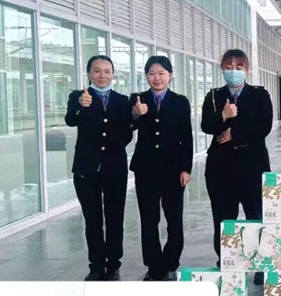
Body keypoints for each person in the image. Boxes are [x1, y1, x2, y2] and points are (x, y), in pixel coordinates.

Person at [201, 49, 273, 285]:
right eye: (229, 66)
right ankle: (226, 262)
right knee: (224, 219)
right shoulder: (214, 96)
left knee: (256, 215)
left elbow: (264, 126)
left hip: (253, 166)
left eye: (239, 67)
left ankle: (260, 263)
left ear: (247, 70)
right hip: (220, 169)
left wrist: (235, 133)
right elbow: (206, 125)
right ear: (222, 69)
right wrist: (223, 116)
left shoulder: (260, 95)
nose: (233, 71)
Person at [64, 55, 133, 281]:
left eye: (107, 71)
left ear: (113, 74)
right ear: (89, 74)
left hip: (115, 168)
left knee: (115, 218)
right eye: (97, 71)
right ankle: (96, 266)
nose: (102, 76)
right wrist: (79, 105)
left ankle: (113, 264)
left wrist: (116, 143)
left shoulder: (122, 101)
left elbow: (128, 131)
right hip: (86, 168)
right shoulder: (78, 96)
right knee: (92, 219)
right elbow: (70, 120)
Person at [130, 56, 193, 281]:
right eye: (151, 73)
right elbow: (128, 127)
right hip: (145, 169)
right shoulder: (137, 99)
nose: (156, 78)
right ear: (146, 76)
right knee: (149, 219)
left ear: (170, 76)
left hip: (173, 169)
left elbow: (186, 136)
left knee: (174, 219)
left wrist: (186, 168)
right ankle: (154, 266)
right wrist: (135, 113)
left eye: (161, 73)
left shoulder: (180, 101)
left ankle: (170, 263)